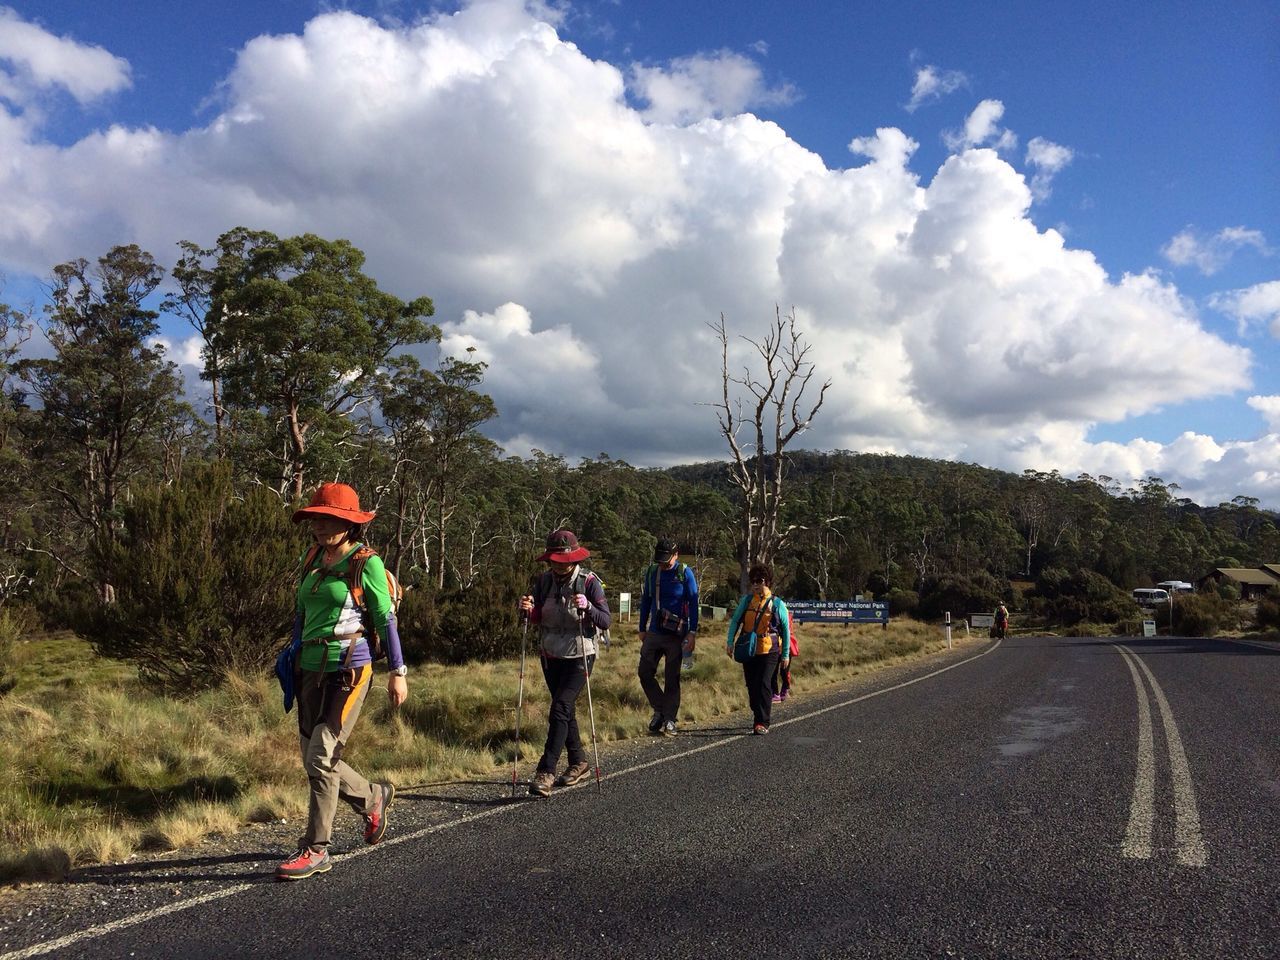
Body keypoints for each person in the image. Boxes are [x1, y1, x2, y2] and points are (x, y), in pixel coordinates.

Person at [276, 482, 408, 881]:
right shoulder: (312, 556)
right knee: (314, 757)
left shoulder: (365, 562)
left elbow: (386, 619)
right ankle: (373, 797)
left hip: (349, 667)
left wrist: (398, 673)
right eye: (316, 517)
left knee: (320, 755)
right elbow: (301, 612)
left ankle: (316, 848)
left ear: (349, 524)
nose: (318, 525)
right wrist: (292, 655)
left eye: (328, 519)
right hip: (309, 667)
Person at [519, 529, 611, 797]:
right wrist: (526, 609)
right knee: (565, 709)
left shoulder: (589, 582)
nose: (558, 564)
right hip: (550, 656)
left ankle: (545, 771)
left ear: (574, 558)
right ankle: (579, 762)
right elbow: (537, 617)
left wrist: (589, 608)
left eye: (563, 560)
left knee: (559, 707)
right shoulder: (544, 582)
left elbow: (605, 621)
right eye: (554, 560)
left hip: (580, 655)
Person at [637, 537, 699, 737]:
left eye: (667, 560)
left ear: (676, 555)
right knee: (645, 672)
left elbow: (694, 601)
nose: (663, 564)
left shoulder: (684, 573)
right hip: (654, 631)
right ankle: (661, 710)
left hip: (677, 634)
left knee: (672, 678)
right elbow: (646, 600)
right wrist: (642, 628)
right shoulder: (652, 573)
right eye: (660, 560)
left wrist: (692, 632)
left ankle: (670, 719)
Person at [725, 563, 790, 735]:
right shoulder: (747, 601)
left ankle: (762, 722)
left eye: (759, 581)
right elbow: (735, 621)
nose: (755, 584)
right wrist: (730, 642)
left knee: (764, 684)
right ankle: (757, 711)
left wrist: (785, 654)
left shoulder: (777, 604)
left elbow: (786, 630)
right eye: (753, 581)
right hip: (750, 649)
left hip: (770, 651)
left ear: (767, 582)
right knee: (752, 686)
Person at [771, 607, 798, 703]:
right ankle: (775, 692)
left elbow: (788, 631)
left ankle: (786, 688)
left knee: (784, 670)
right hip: (773, 645)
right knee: (773, 671)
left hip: (786, 646)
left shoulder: (785, 615)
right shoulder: (770, 615)